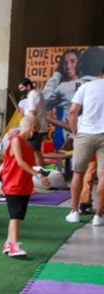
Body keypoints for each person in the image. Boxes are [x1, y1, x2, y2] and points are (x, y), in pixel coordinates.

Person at [0, 115, 50, 257]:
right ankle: (14, 245)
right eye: (37, 131)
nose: (36, 135)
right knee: (14, 215)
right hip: (13, 184)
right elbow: (19, 162)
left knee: (18, 215)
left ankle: (9, 242)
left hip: (24, 184)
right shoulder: (16, 141)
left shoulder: (27, 145)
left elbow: (8, 162)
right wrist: (38, 175)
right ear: (32, 127)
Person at [65, 65, 104, 225]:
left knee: (78, 173)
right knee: (102, 177)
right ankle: (98, 216)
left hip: (85, 133)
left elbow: (73, 111)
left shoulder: (86, 87)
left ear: (99, 73)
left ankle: (74, 212)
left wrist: (75, 132)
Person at [17, 78, 48, 166]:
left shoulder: (33, 95)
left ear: (28, 86)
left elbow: (32, 113)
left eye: (22, 88)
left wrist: (26, 128)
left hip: (34, 129)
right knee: (35, 151)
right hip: (36, 127)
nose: (21, 90)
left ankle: (39, 170)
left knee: (35, 151)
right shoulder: (34, 95)